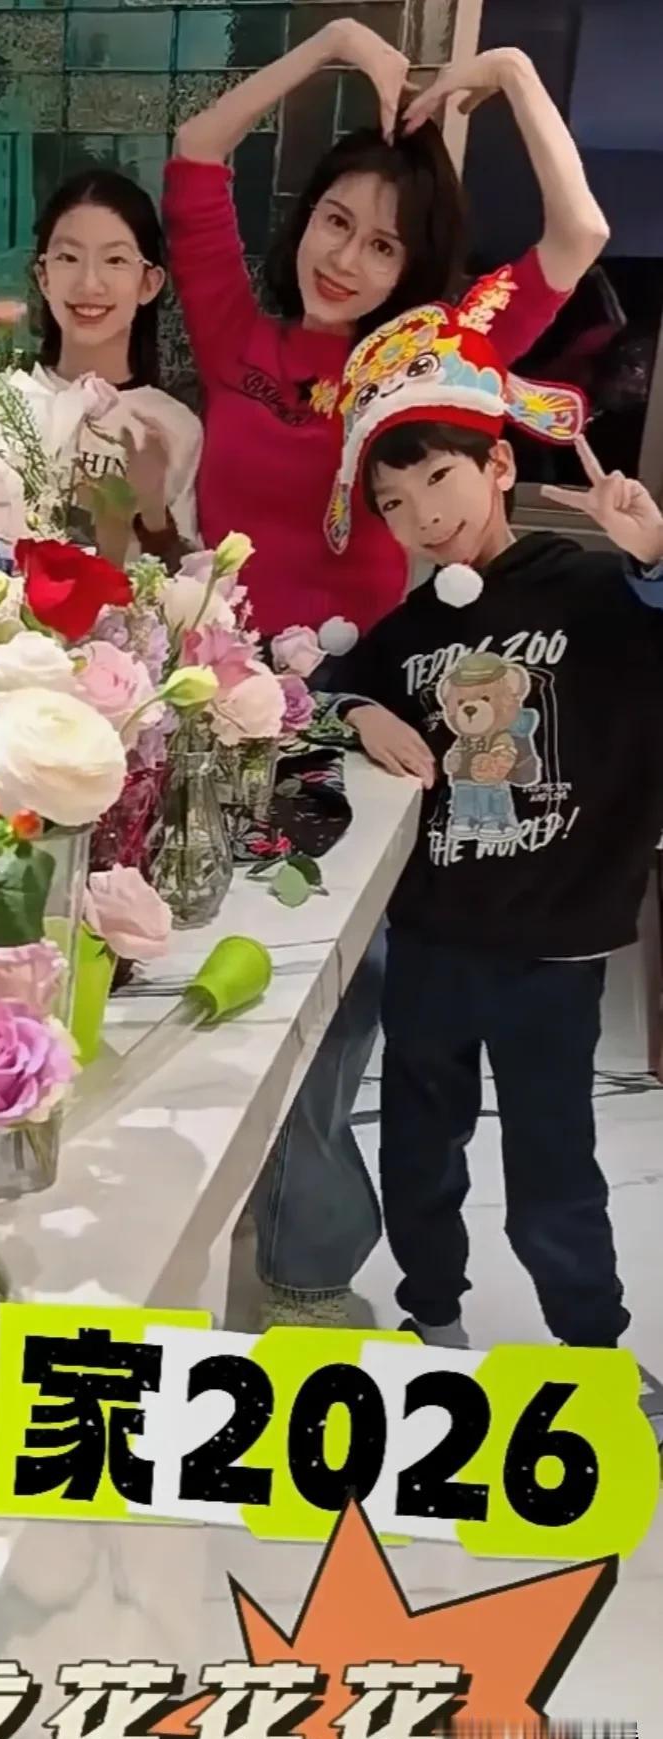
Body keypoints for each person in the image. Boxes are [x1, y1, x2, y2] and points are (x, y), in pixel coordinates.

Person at [166, 16, 612, 1329]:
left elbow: (578, 233)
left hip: (365, 717)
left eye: (382, 244)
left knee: (336, 1010)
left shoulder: (429, 357)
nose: (347, 257)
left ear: (413, 272)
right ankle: (209, 1243)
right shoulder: (235, 332)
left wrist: (508, 73)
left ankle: (307, 1261)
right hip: (209, 711)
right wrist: (334, 48)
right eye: (335, 222)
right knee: (201, 988)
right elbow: (196, 153)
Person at [317, 298, 663, 1428]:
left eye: (439, 479)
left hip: (555, 950)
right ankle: (431, 1321)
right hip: (432, 939)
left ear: (498, 464)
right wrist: (361, 709)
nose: (423, 515)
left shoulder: (594, 588)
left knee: (554, 1164)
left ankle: (592, 1351)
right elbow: (325, 691)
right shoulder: (409, 631)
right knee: (421, 1148)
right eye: (393, 502)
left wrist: (652, 553)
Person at [0, 169, 202, 570]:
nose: (89, 283)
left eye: (115, 260)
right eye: (68, 258)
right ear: (43, 277)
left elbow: (185, 583)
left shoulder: (172, 426)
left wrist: (152, 509)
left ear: (149, 283)